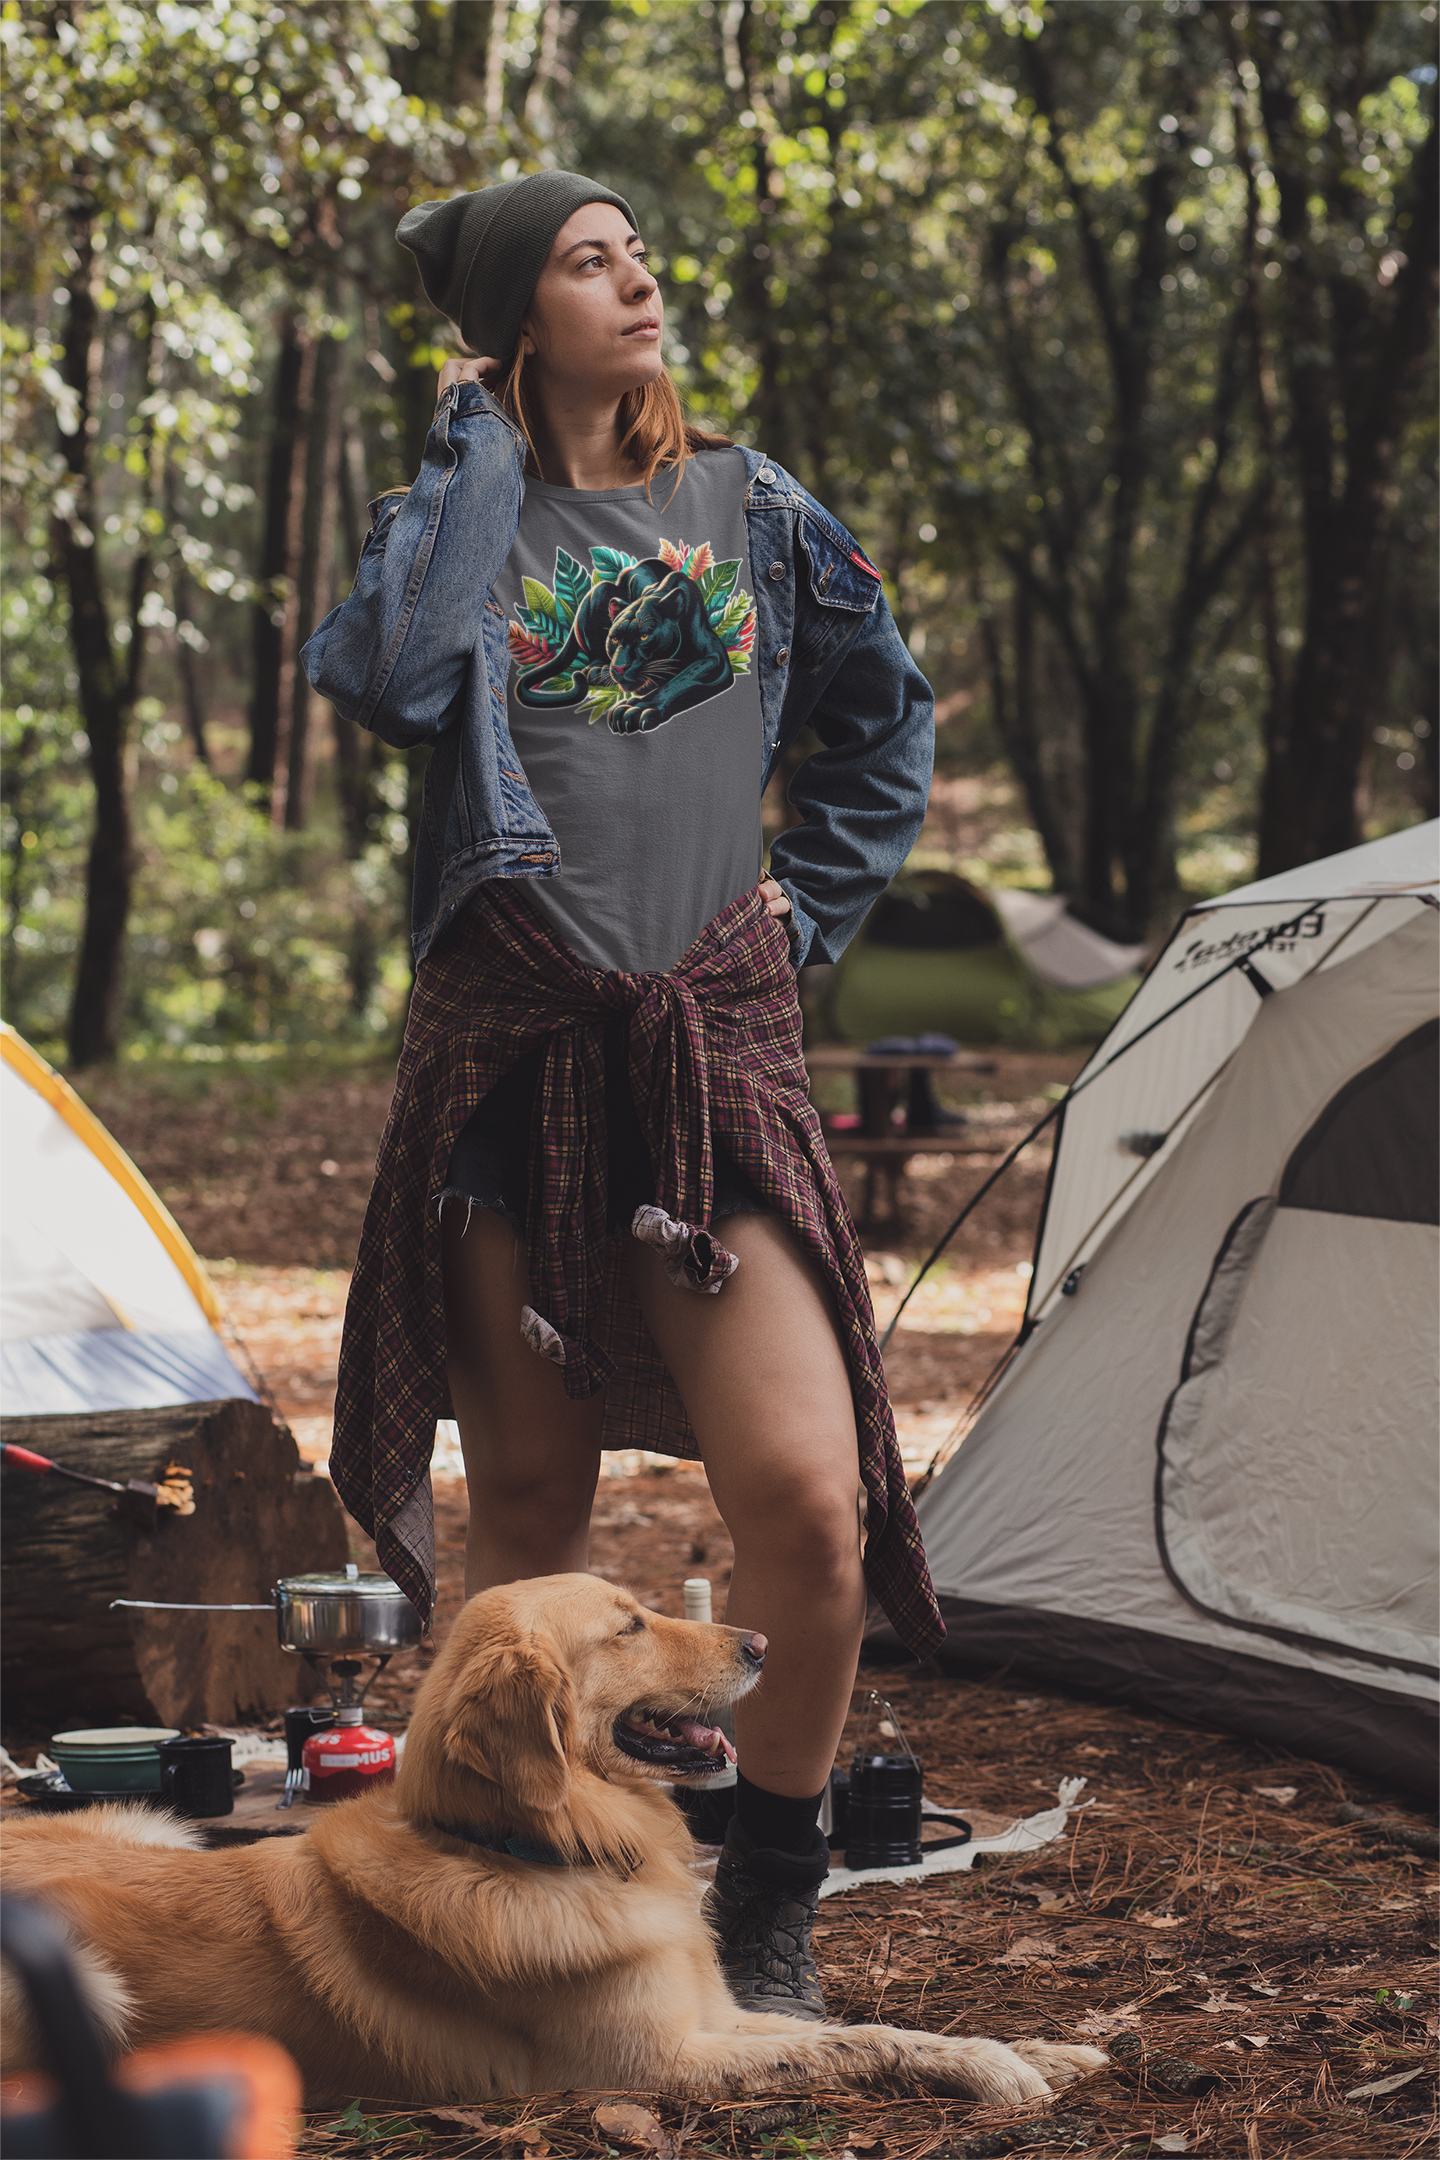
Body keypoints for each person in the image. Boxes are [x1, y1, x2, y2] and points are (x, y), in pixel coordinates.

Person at [301, 169, 942, 2020]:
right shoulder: (447, 528)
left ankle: (768, 1903)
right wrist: (475, 450)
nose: (640, 282)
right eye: (591, 263)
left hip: (712, 1042)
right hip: (515, 1051)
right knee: (526, 1501)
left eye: (640, 254)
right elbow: (395, 681)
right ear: (520, 318)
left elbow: (882, 716)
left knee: (807, 1506)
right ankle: (526, 1907)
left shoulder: (754, 508)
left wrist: (808, 904)